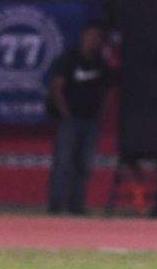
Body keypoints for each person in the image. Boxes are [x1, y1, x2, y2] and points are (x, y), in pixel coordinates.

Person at [47, 22, 112, 214]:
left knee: (84, 165)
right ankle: (56, 207)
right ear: (83, 37)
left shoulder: (100, 63)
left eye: (97, 37)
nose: (94, 40)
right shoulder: (69, 59)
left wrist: (101, 114)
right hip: (70, 119)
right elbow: (57, 87)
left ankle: (77, 206)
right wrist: (65, 113)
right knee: (63, 163)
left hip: (90, 120)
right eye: (91, 36)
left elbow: (107, 91)